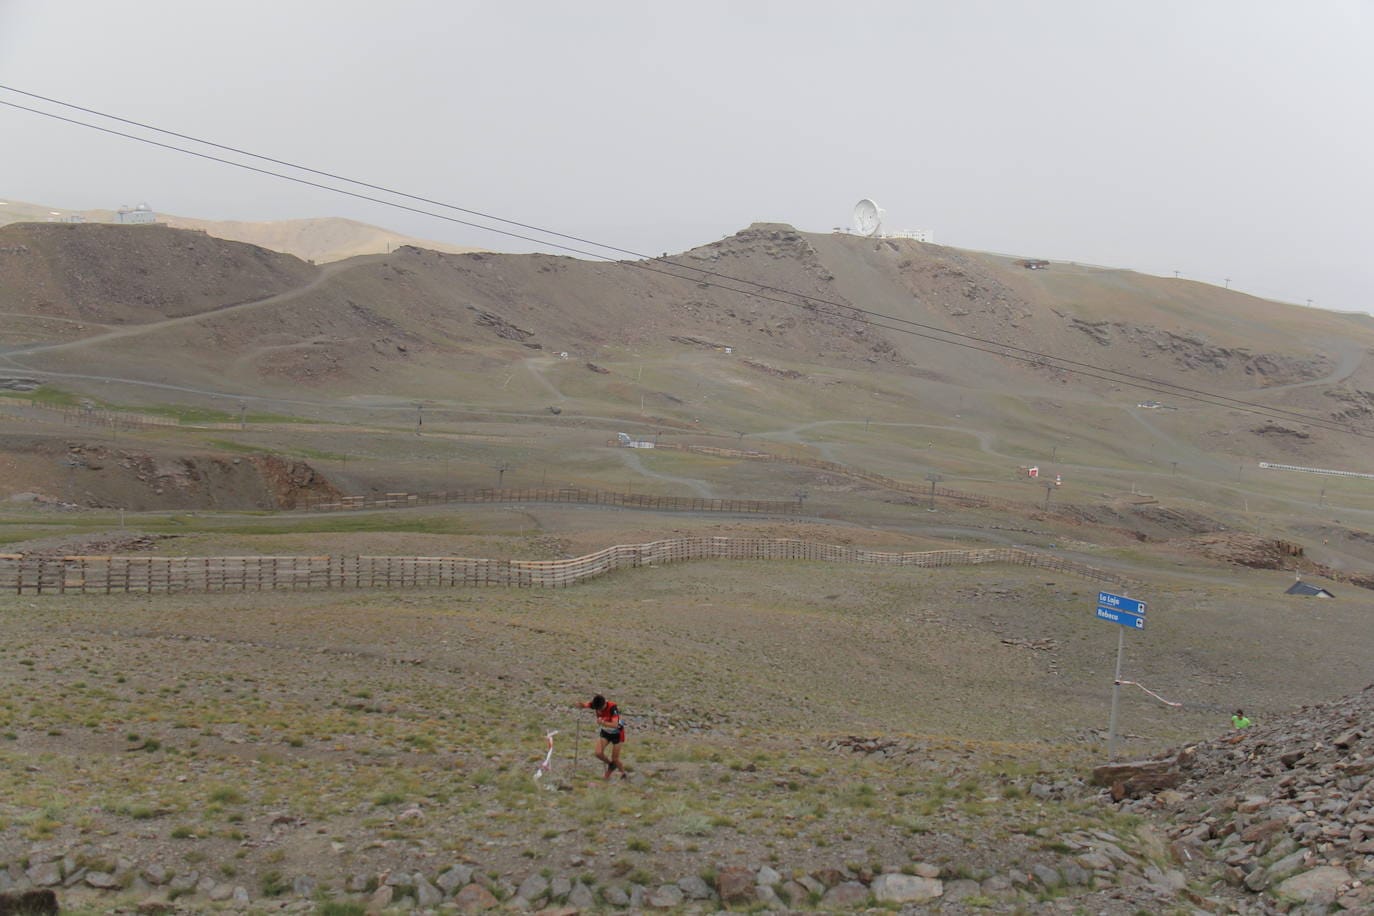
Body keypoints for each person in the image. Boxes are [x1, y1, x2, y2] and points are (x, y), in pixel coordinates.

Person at [578, 694, 626, 779]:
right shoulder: (596, 704)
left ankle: (623, 774)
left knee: (615, 758)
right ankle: (611, 765)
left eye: (600, 709)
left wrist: (603, 723)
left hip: (617, 733)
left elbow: (615, 724)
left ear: (604, 704)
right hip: (606, 732)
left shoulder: (612, 708)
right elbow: (587, 705)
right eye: (597, 709)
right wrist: (581, 705)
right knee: (598, 753)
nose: (599, 711)